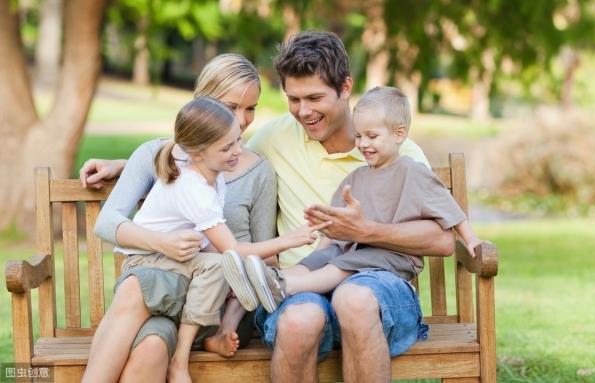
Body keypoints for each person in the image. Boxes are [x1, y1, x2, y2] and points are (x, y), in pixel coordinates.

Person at [245, 31, 456, 382]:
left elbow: (443, 240)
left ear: (345, 88)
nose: (304, 111)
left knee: (353, 299)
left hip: (378, 288)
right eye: (293, 99)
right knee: (299, 320)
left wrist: (366, 231)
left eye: (314, 97)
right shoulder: (273, 138)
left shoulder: (395, 152)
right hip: (303, 284)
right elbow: (211, 155)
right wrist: (138, 164)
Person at [80, 54, 282, 383]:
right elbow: (106, 224)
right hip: (159, 297)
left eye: (251, 108)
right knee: (150, 346)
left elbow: (265, 258)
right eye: (232, 108)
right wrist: (164, 243)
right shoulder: (156, 154)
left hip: (216, 309)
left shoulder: (259, 172)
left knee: (135, 290)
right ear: (202, 103)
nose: (243, 120)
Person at [240, 86, 482, 313]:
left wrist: (470, 239)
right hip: (355, 249)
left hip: (392, 256)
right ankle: (265, 281)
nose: (363, 144)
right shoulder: (356, 177)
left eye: (372, 136)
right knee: (323, 257)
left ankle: (286, 288)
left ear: (399, 134)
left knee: (340, 265)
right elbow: (333, 228)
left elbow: (451, 210)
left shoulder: (413, 171)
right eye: (358, 136)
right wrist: (319, 249)